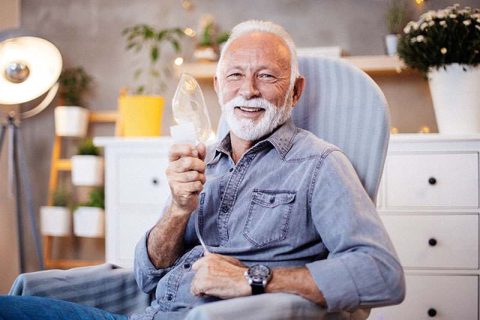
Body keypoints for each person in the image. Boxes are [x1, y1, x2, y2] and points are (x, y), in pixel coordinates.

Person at [0, 20, 405, 320]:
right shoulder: (205, 159)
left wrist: (253, 278)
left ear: (295, 90)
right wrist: (178, 209)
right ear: (217, 84)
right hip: (146, 313)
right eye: (235, 76)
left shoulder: (319, 164)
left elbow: (381, 274)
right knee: (17, 299)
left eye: (266, 76)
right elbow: (147, 275)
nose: (248, 90)